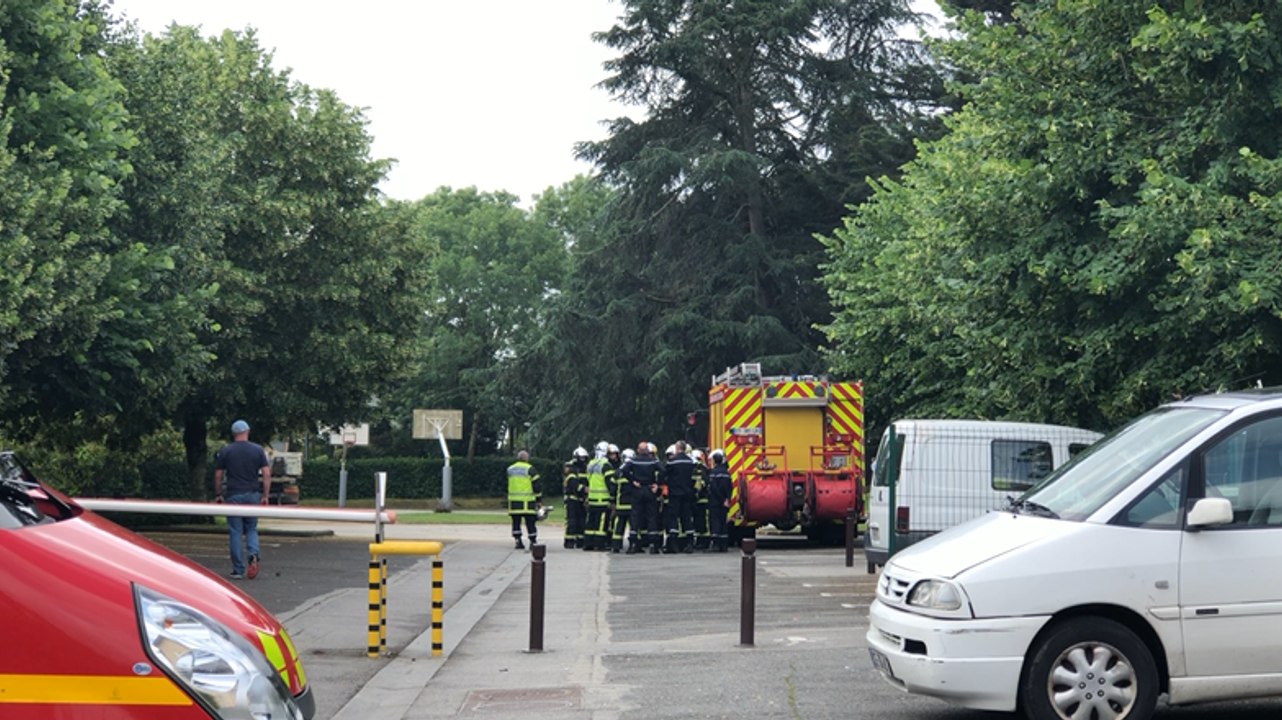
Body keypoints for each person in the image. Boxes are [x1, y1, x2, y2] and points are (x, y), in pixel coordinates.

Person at [213, 419, 271, 580]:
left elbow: (218, 475)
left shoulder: (226, 451)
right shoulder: (258, 450)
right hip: (252, 494)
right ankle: (253, 555)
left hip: (233, 495)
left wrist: (218, 494)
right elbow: (266, 473)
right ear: (247, 431)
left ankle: (238, 569)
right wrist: (265, 495)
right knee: (252, 528)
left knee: (235, 531)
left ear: (233, 434)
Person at [624, 441, 664, 553]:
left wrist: (633, 481)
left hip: (637, 490)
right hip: (649, 489)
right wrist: (657, 483)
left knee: (635, 516)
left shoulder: (633, 460)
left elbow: (624, 470)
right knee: (651, 516)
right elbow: (663, 470)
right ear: (647, 451)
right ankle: (653, 545)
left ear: (638, 450)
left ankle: (633, 544)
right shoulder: (653, 461)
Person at [662, 440, 697, 553]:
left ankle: (673, 545)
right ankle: (690, 543)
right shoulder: (690, 462)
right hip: (687, 494)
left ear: (677, 448)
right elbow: (694, 478)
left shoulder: (672, 462)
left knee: (673, 518)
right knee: (686, 518)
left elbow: (664, 475)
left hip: (675, 494)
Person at [507, 450, 542, 549]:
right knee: (530, 522)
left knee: (516, 522)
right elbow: (537, 485)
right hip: (528, 501)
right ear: (526, 458)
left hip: (514, 502)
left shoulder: (510, 469)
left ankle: (518, 541)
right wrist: (539, 499)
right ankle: (532, 541)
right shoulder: (530, 469)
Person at [583, 442, 614, 551]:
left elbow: (588, 480)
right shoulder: (606, 465)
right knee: (601, 523)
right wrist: (612, 498)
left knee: (591, 522)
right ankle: (599, 544)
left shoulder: (591, 464)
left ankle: (588, 543)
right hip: (603, 499)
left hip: (592, 498)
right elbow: (610, 483)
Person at [562, 447, 589, 549]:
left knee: (582, 521)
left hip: (582, 500)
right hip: (572, 499)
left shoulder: (585, 469)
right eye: (581, 458)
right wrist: (584, 489)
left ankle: (580, 541)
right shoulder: (571, 469)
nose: (583, 460)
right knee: (572, 521)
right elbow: (573, 484)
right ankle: (569, 542)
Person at [610, 447, 636, 553]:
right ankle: (633, 546)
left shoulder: (617, 472)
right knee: (633, 526)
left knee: (619, 525)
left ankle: (616, 546)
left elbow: (612, 488)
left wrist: (612, 502)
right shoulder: (635, 472)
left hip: (620, 504)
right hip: (633, 504)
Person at [707, 448, 733, 552]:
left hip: (715, 502)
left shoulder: (713, 473)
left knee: (715, 522)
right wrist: (727, 499)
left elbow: (713, 488)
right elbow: (730, 488)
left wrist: (721, 499)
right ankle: (724, 545)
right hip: (725, 502)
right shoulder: (727, 473)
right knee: (723, 522)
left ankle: (716, 544)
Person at [691, 448, 711, 550]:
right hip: (700, 499)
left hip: (701, 500)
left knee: (702, 522)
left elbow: (701, 484)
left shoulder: (700, 470)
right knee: (699, 522)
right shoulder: (704, 469)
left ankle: (704, 542)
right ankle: (701, 541)